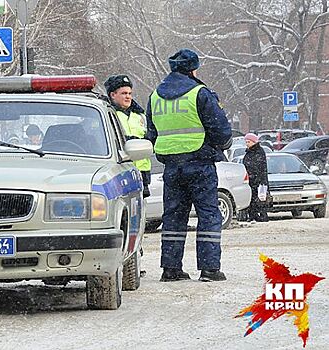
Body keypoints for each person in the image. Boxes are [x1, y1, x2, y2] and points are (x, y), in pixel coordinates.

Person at [146, 48, 232, 282]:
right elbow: (221, 130)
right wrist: (219, 145)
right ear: (193, 69)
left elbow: (151, 133)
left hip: (171, 167)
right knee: (208, 216)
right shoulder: (200, 93)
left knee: (173, 217)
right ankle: (209, 269)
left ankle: (171, 269)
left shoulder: (155, 96)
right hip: (200, 163)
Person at [104, 75, 152, 198]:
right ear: (112, 95)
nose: (128, 96)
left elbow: (150, 138)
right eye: (124, 93)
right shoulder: (108, 114)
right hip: (120, 173)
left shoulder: (140, 116)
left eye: (130, 93)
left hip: (141, 174)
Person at [242, 133, 269, 222]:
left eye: (248, 142)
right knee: (252, 198)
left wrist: (260, 179)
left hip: (258, 179)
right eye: (246, 142)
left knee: (260, 197)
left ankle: (262, 215)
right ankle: (253, 215)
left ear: (254, 142)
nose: (247, 143)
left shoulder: (259, 152)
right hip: (250, 179)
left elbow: (260, 166)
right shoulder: (249, 152)